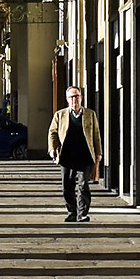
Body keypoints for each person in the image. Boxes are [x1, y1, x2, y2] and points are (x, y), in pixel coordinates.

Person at [46, 83, 102, 223]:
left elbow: (96, 134)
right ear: (67, 99)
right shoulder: (60, 115)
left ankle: (82, 214)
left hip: (85, 155)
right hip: (67, 156)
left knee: (83, 185)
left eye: (77, 96)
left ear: (81, 98)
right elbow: (52, 132)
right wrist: (53, 148)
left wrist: (98, 153)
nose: (74, 100)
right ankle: (72, 212)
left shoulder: (90, 114)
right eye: (71, 97)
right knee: (67, 186)